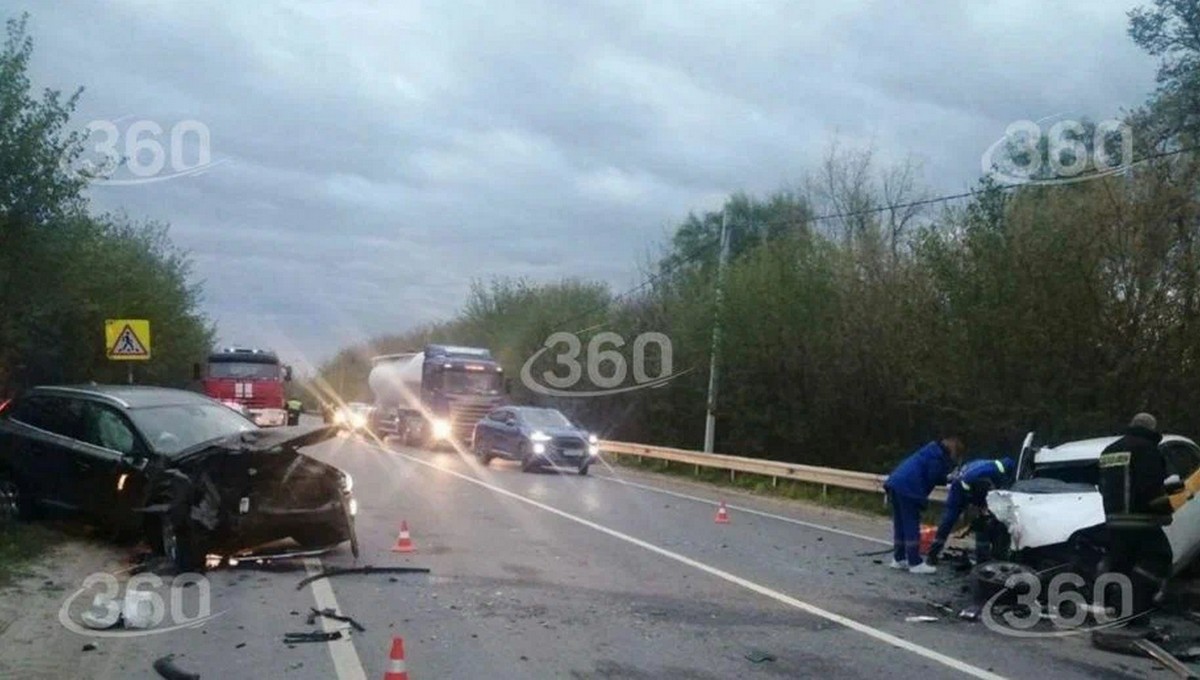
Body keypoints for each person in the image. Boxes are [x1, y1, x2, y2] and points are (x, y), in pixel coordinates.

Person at [1096, 413, 1183, 622]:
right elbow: (1150, 488)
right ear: (1152, 429)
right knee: (1158, 558)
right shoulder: (1147, 450)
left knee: (1123, 563)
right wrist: (1165, 511)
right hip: (1140, 520)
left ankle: (1115, 607)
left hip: (1114, 520)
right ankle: (1134, 610)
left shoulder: (1109, 451)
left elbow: (1104, 486)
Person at [884, 436, 965, 574]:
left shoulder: (930, 451)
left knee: (900, 524)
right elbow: (933, 476)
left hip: (896, 484)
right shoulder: (937, 457)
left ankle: (898, 558)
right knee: (911, 524)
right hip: (908, 488)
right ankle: (915, 562)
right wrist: (948, 478)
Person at [925, 456, 1015, 565]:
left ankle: (933, 554)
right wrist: (980, 506)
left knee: (950, 521)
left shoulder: (990, 466)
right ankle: (985, 558)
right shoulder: (995, 473)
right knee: (972, 521)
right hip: (962, 489)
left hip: (964, 485)